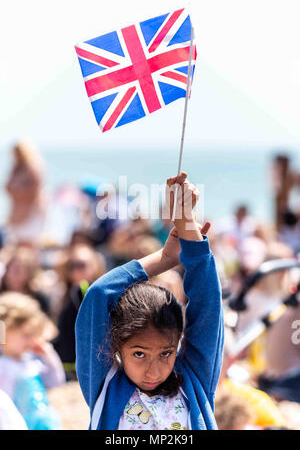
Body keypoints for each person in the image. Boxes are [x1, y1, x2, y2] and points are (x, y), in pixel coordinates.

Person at [75, 172, 224, 430]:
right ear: (117, 346)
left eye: (166, 352)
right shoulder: (106, 388)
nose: (154, 371)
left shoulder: (194, 380)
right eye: (139, 353)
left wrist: (188, 226)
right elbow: (98, 295)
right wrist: (164, 259)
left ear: (178, 341)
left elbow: (208, 304)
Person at [0, 293, 65, 429]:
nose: (31, 341)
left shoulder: (32, 360)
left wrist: (48, 354)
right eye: (25, 335)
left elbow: (56, 381)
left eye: (33, 335)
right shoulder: (3, 365)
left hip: (43, 422)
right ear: (4, 331)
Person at [52, 243, 106, 379]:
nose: (76, 270)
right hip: (70, 367)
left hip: (87, 369)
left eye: (81, 265)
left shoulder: (92, 291)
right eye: (71, 266)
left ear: (96, 266)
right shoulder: (69, 293)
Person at [5, 141, 47, 246]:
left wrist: (18, 191)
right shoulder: (16, 168)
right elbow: (7, 187)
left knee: (29, 242)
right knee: (18, 242)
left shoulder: (33, 167)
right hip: (17, 212)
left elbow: (35, 189)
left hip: (31, 210)